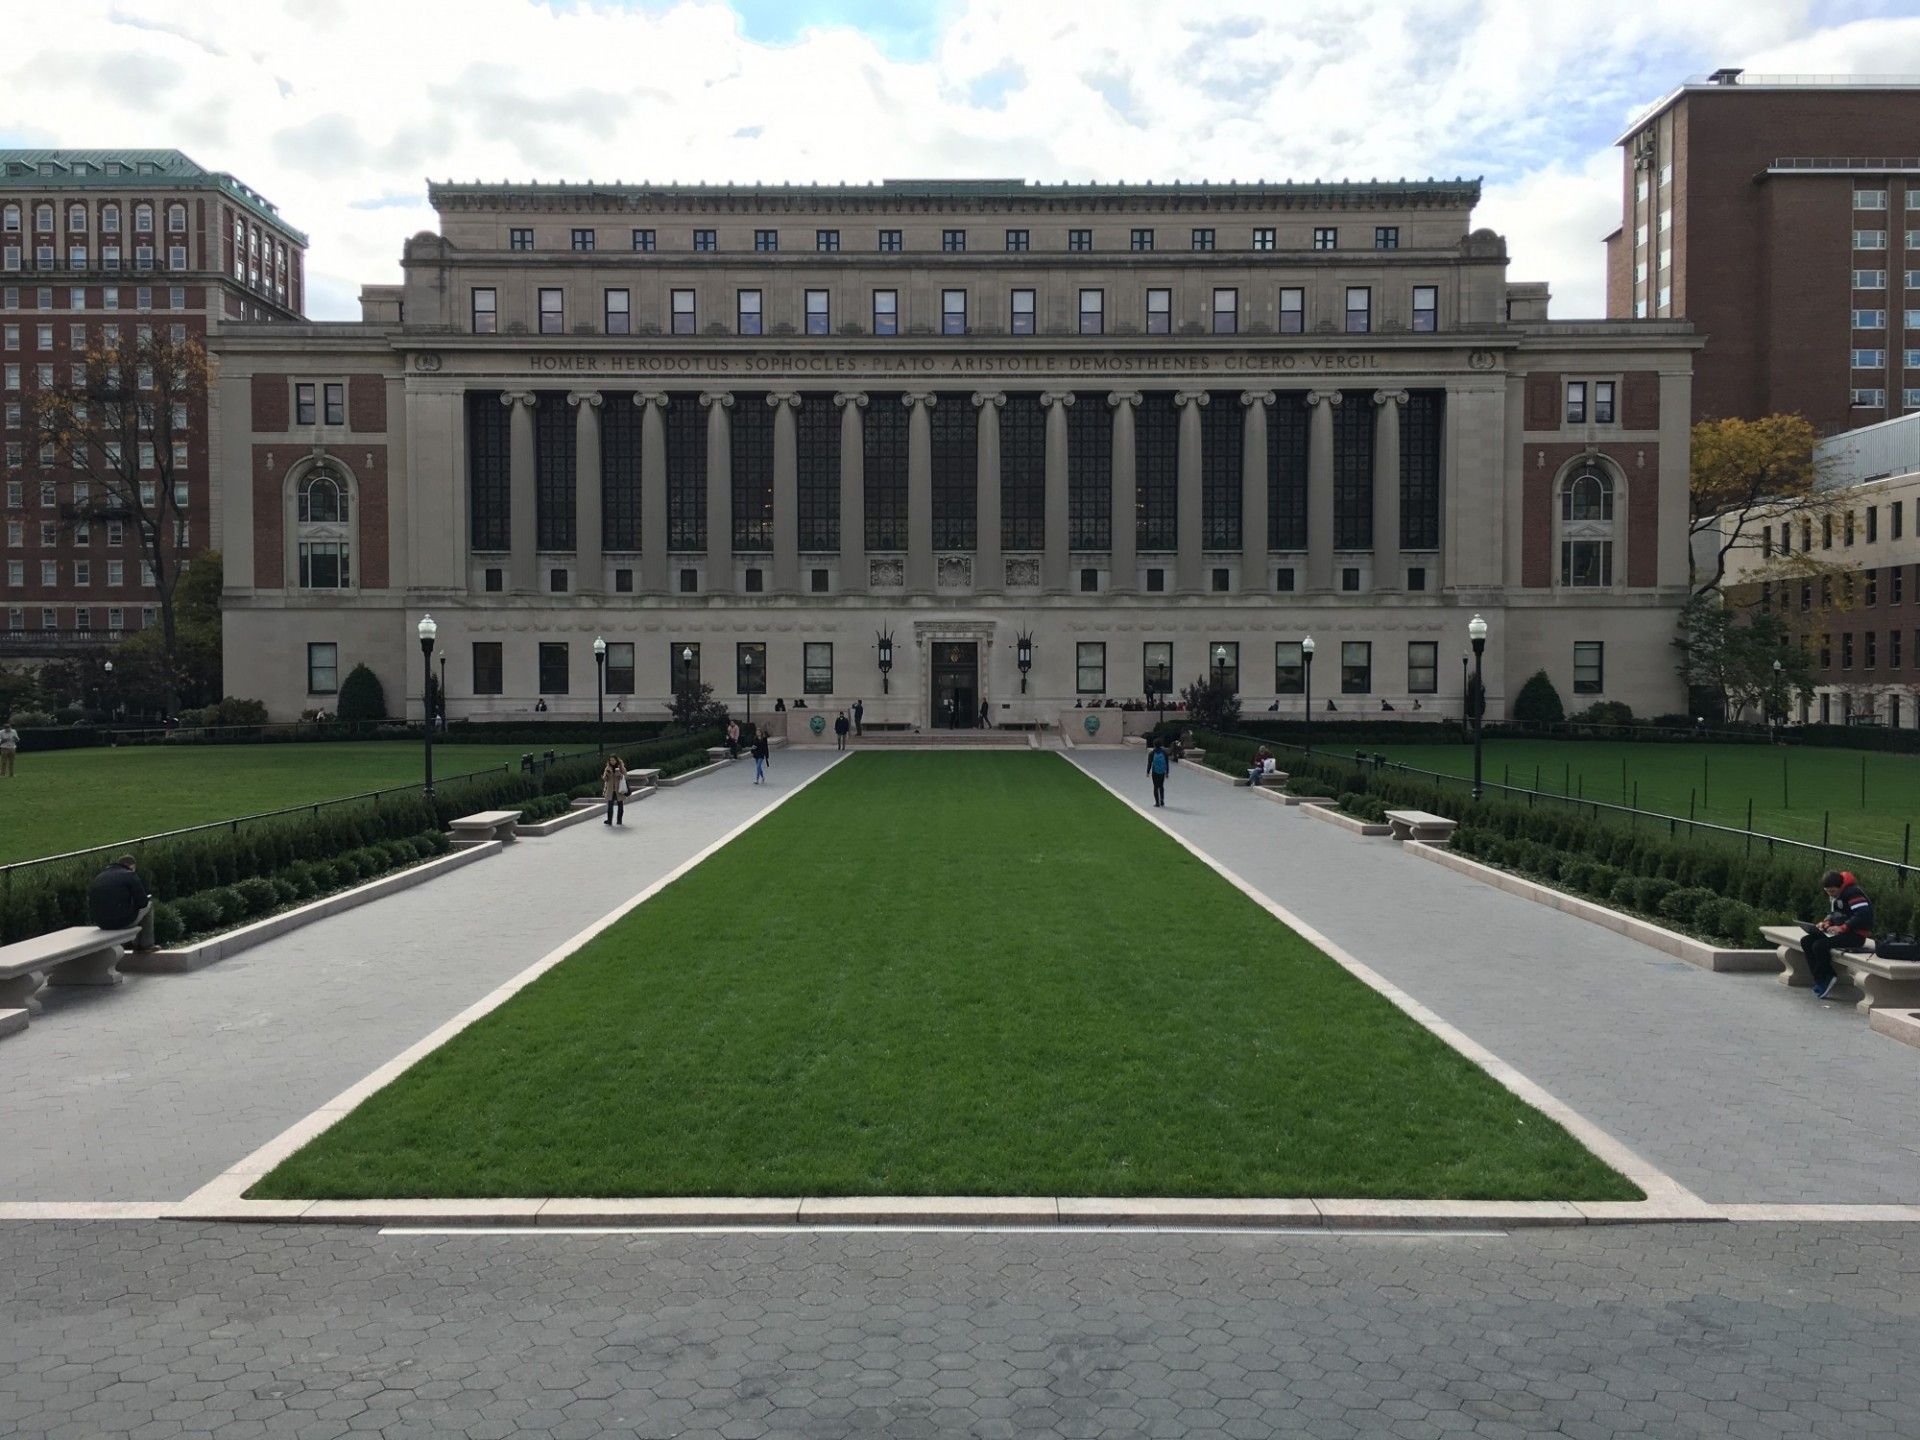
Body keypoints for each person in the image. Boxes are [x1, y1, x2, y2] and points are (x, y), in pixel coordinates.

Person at [1804, 869, 1874, 999]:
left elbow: (1863, 915)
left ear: (1840, 886)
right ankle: (1820, 979)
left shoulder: (1853, 893)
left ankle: (1828, 976)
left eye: (1833, 891)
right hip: (1842, 933)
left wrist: (1843, 927)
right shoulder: (1837, 896)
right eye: (1827, 892)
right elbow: (1836, 914)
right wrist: (1827, 923)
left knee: (1819, 945)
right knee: (1807, 940)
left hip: (1856, 936)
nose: (1831, 895)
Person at [87, 855, 155, 951]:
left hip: (100, 923)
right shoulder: (130, 875)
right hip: (121, 922)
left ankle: (134, 944)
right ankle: (146, 945)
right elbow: (143, 903)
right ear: (131, 866)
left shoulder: (99, 877)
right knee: (149, 905)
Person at [601, 755, 629, 826]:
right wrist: (606, 775)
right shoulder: (608, 768)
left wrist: (620, 775)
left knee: (620, 805)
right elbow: (605, 779)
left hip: (619, 790)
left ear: (616, 760)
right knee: (610, 805)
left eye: (613, 760)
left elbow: (626, 777)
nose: (612, 762)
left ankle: (619, 820)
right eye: (610, 760)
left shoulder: (621, 767)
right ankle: (609, 820)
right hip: (610, 790)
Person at [1147, 739, 1170, 807]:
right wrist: (1167, 772)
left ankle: (1157, 802)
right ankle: (1162, 800)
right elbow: (1166, 763)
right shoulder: (1164, 753)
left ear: (1154, 745)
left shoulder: (1152, 753)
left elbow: (1149, 763)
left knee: (1155, 786)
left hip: (1155, 772)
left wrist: (1148, 771)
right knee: (1161, 786)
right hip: (1162, 772)